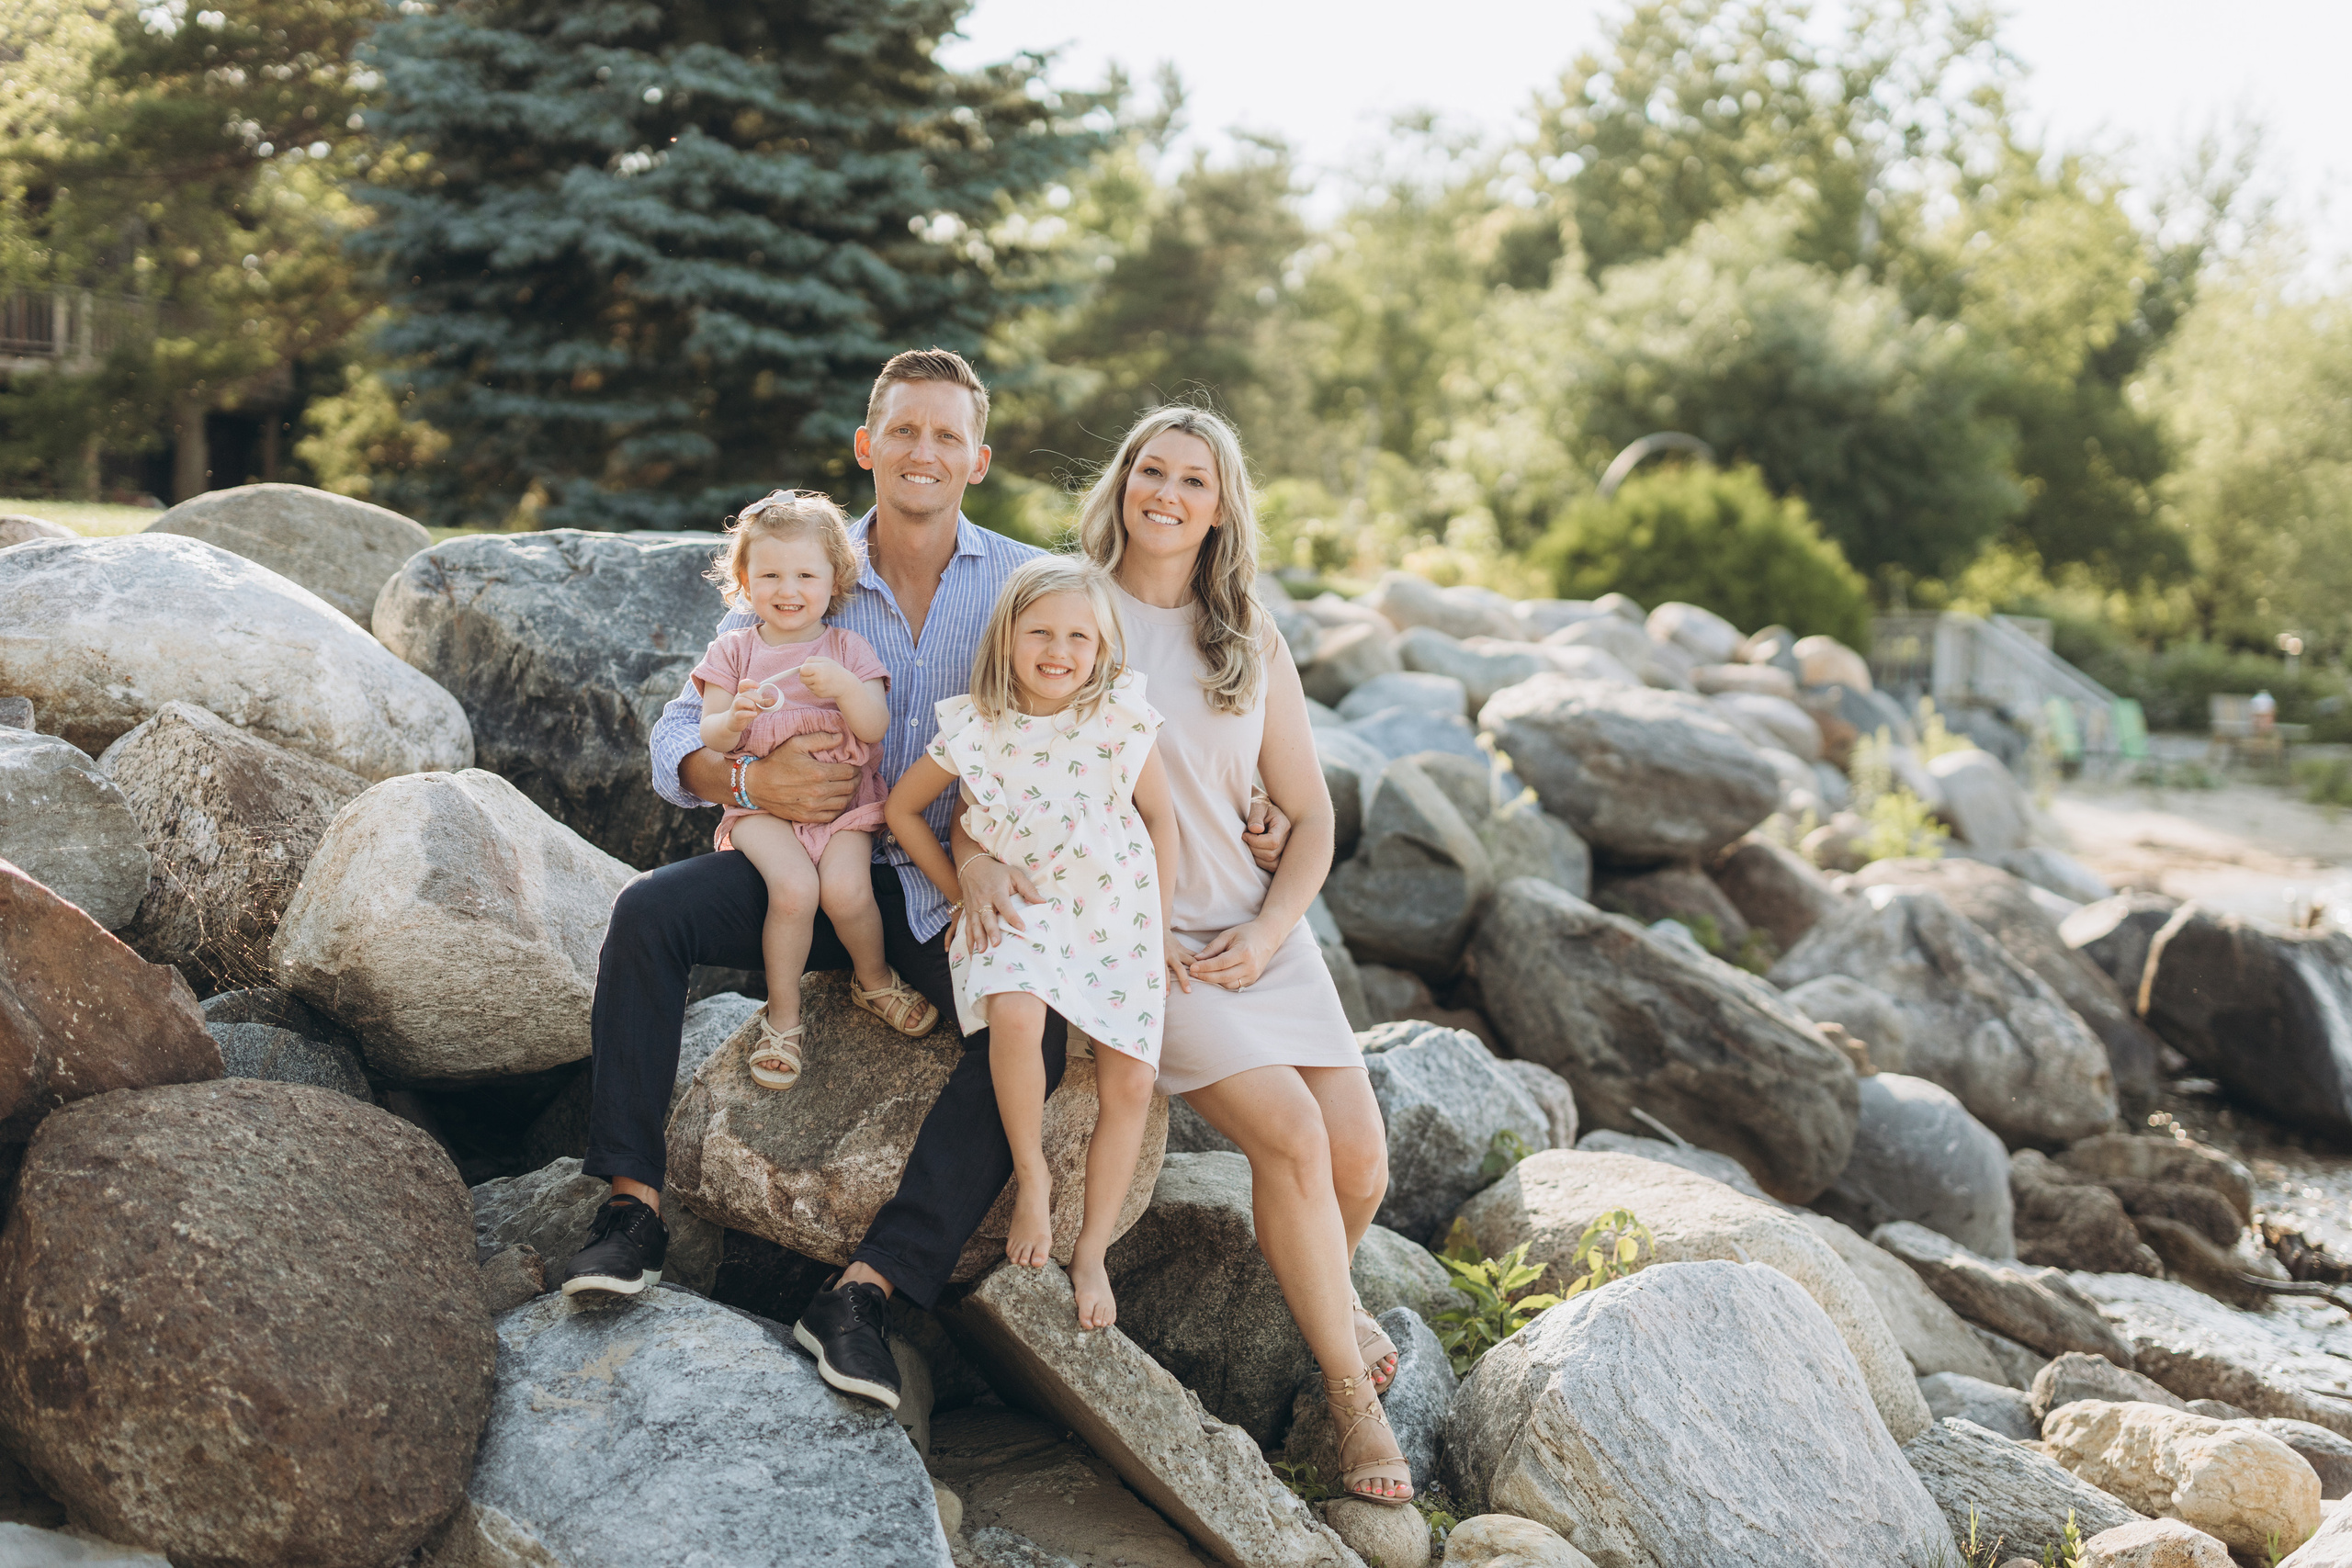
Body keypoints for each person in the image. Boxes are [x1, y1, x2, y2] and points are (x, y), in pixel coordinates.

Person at [557, 350, 1293, 1408]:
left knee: (1022, 1048)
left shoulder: (1020, 583)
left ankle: (866, 1290)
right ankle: (630, 1205)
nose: (923, 452)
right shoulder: (805, 565)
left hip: (954, 890)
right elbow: (678, 738)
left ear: (977, 459)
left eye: (947, 435)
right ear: (868, 445)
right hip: (812, 868)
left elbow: (1115, 710)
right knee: (645, 915)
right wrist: (746, 771)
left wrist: (1248, 800)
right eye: (903, 430)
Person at [958, 405, 1411, 1505]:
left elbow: (1308, 818)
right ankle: (1350, 1405)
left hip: (1259, 934)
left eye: (1192, 481)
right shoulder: (1073, 610)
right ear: (1120, 484)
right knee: (1294, 1140)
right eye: (1148, 471)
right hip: (1137, 939)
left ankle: (1327, 1298)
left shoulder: (1246, 630)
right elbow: (993, 745)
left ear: (1221, 508)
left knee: (1361, 1164)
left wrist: (1266, 930)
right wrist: (970, 857)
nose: (1166, 493)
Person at [884, 557, 1182, 1327]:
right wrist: (960, 890)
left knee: (1131, 1085)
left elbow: (1162, 822)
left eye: (1079, 635)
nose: (1059, 649)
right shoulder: (978, 727)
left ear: (1102, 646)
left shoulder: (1118, 718)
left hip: (1118, 913)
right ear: (1007, 636)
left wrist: (1160, 925)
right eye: (1041, 631)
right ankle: (1032, 1174)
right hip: (1027, 906)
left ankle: (1091, 1253)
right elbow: (903, 809)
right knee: (1016, 1013)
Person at [688, 489, 937, 1091]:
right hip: (761, 809)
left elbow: (874, 725)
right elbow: (711, 735)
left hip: (844, 808)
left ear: (835, 580)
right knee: (795, 890)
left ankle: (872, 977)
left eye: (805, 574)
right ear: (745, 581)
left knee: (848, 891)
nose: (788, 588)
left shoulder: (847, 648)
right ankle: (783, 1014)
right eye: (770, 574)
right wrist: (736, 717)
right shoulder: (735, 650)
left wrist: (847, 687)